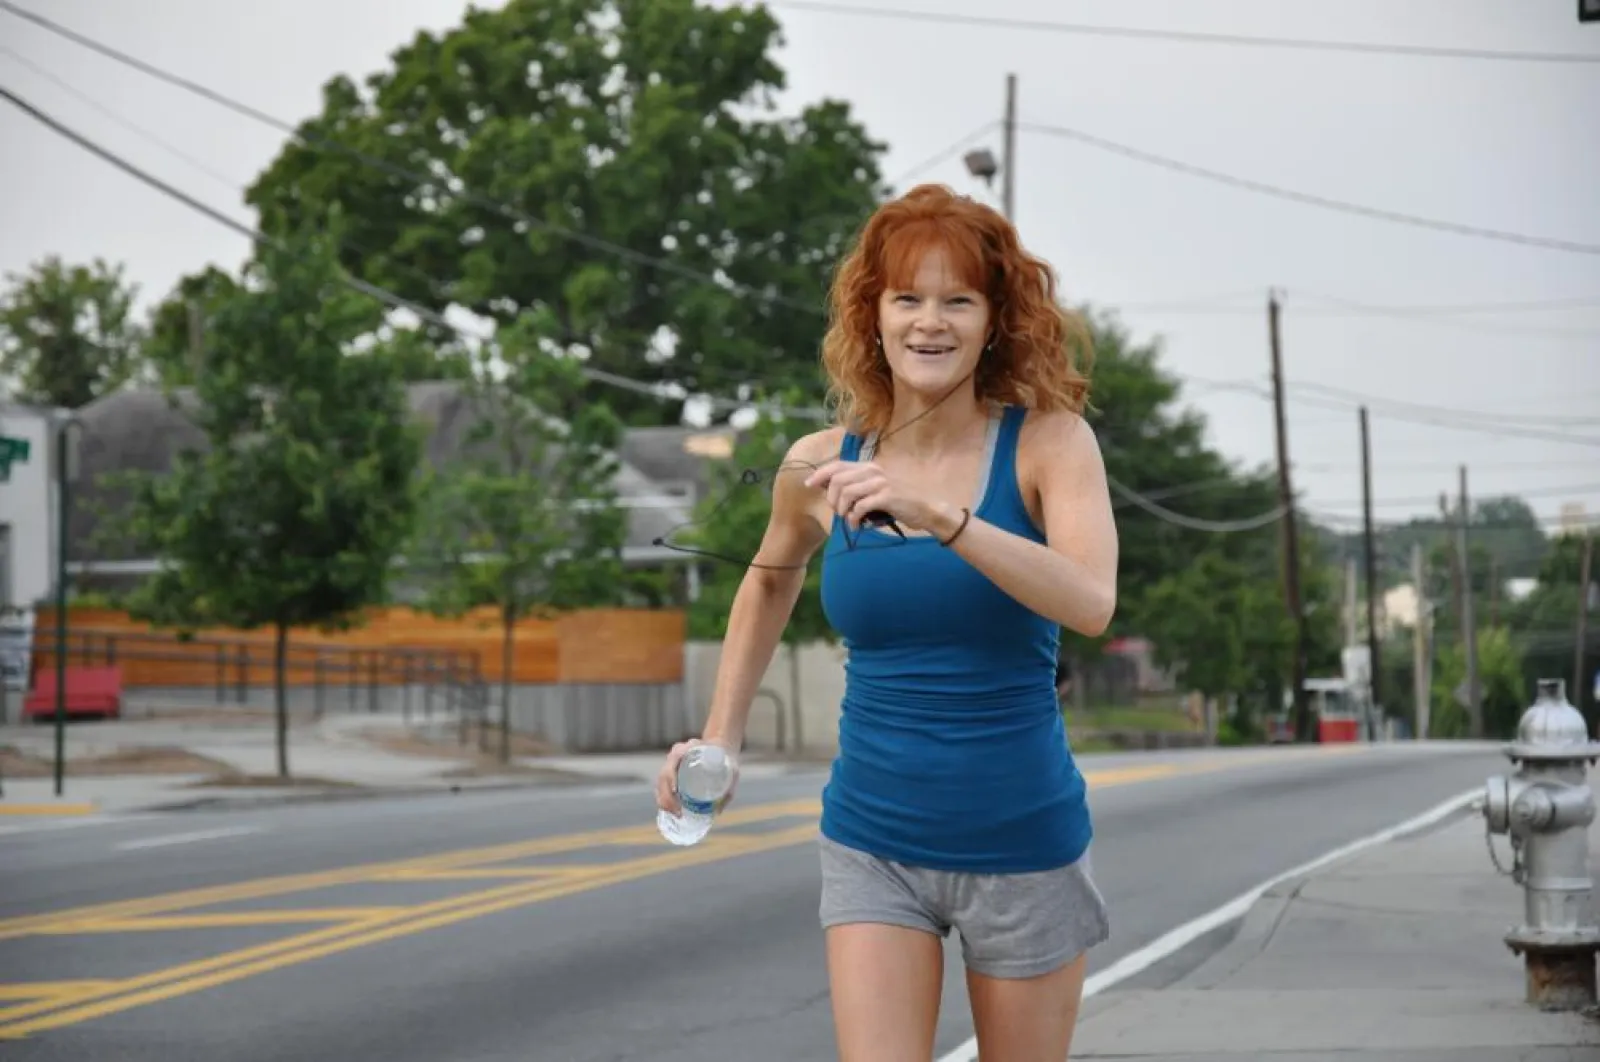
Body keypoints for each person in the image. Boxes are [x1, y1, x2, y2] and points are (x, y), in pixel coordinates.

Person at [655, 183, 1119, 1061]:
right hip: (874, 838)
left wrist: (944, 517)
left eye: (958, 300)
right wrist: (719, 738)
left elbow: (1090, 603)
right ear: (873, 315)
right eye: (907, 298)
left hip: (1022, 841)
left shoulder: (1051, 444)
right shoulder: (823, 464)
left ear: (995, 319)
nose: (929, 322)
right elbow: (766, 583)